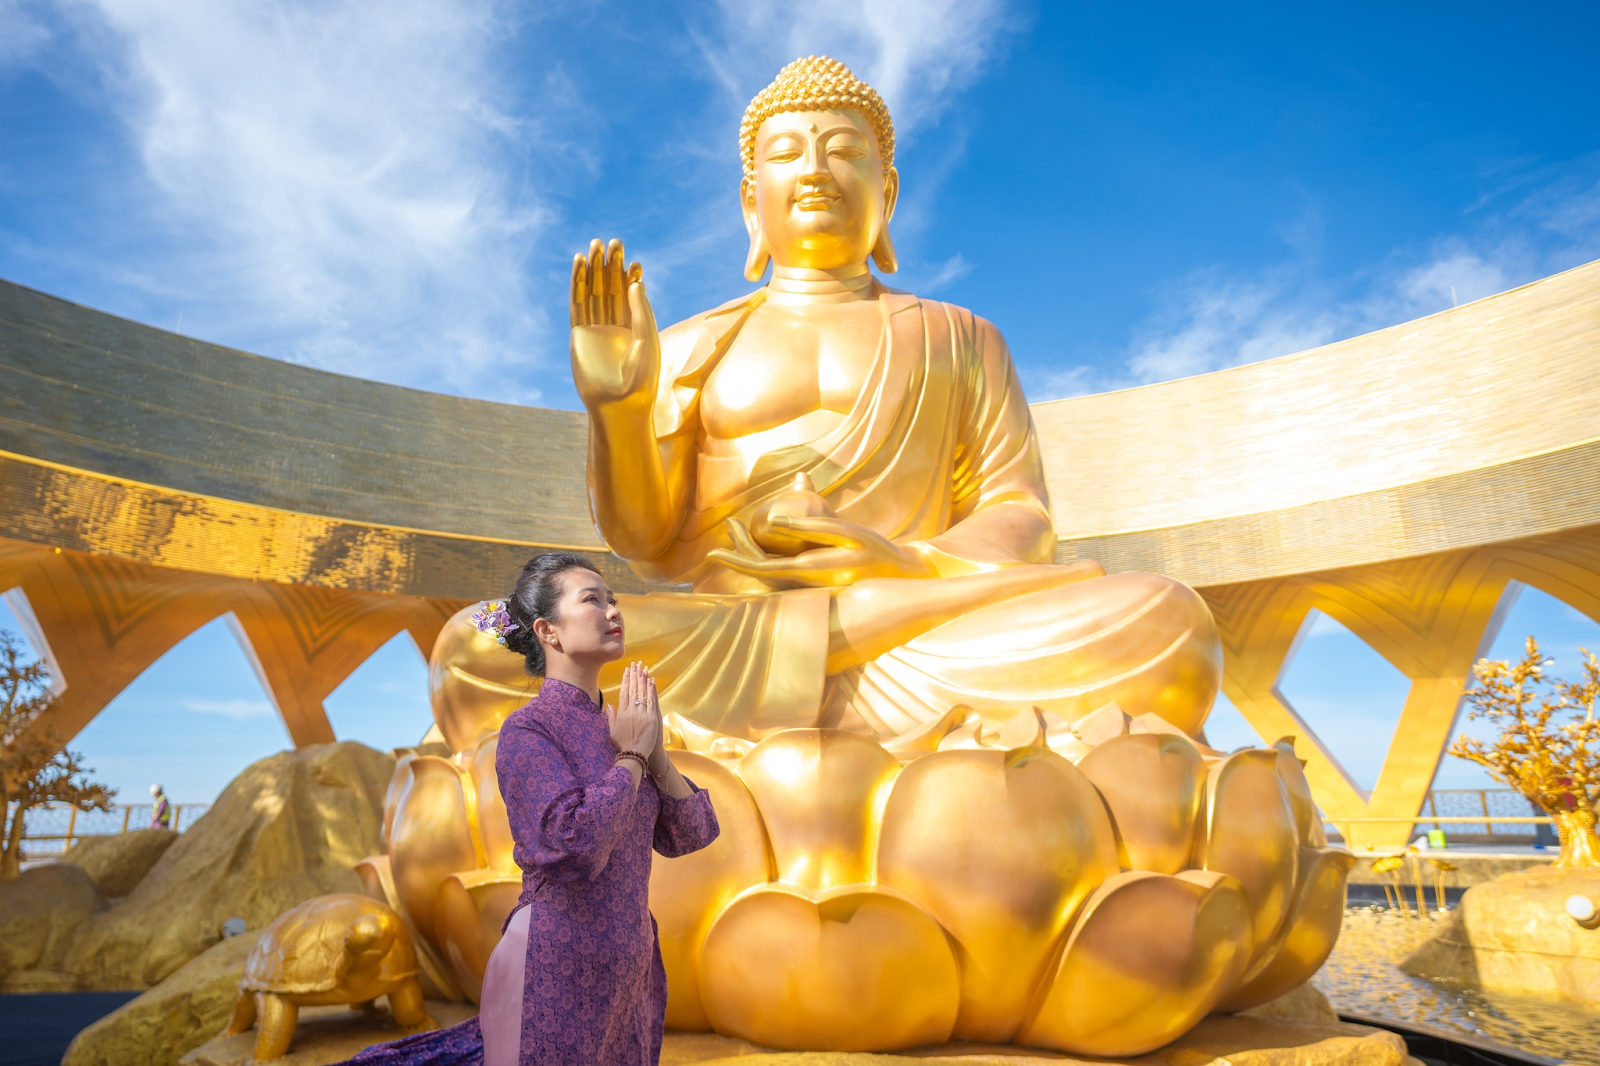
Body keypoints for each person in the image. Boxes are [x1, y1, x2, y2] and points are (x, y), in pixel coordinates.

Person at [341, 551, 719, 1065]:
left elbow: (693, 833)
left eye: (613, 600)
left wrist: (655, 757)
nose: (613, 611)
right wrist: (630, 758)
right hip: (553, 961)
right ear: (548, 630)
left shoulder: (625, 724)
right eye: (592, 600)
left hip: (630, 973)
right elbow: (572, 847)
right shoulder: (529, 730)